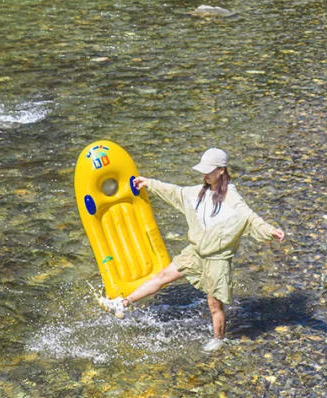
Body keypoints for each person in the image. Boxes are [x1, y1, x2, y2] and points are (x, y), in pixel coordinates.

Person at [99, 147, 284, 351]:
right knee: (162, 276)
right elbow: (175, 192)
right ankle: (123, 304)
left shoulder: (232, 197)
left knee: (215, 306)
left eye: (208, 170)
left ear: (221, 170)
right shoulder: (199, 192)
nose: (204, 174)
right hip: (195, 252)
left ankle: (218, 339)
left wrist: (270, 230)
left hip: (217, 260)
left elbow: (250, 218)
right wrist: (149, 183)